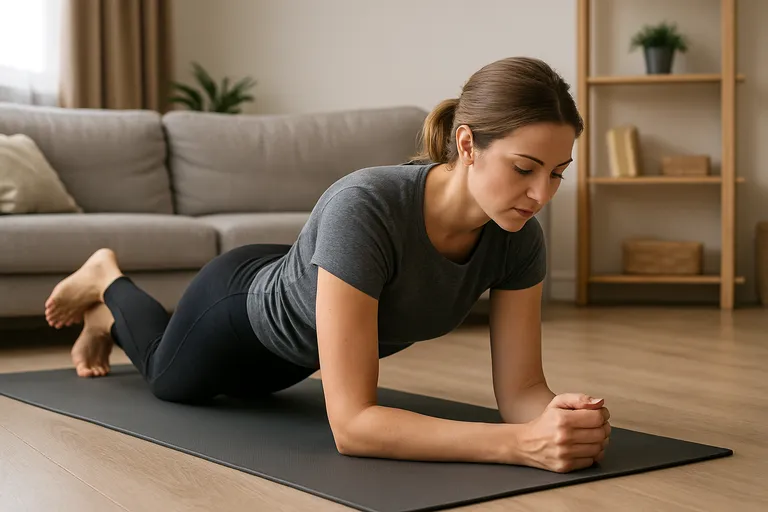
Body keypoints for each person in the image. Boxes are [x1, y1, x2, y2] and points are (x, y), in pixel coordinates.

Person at [43, 56, 610, 474]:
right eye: (524, 168)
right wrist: (519, 445)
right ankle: (106, 283)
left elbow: (522, 390)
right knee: (168, 380)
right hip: (238, 311)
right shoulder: (366, 205)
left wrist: (558, 417)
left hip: (302, 319)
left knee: (253, 393)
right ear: (467, 144)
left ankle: (103, 306)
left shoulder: (517, 237)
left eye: (557, 172)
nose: (541, 193)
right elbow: (355, 426)